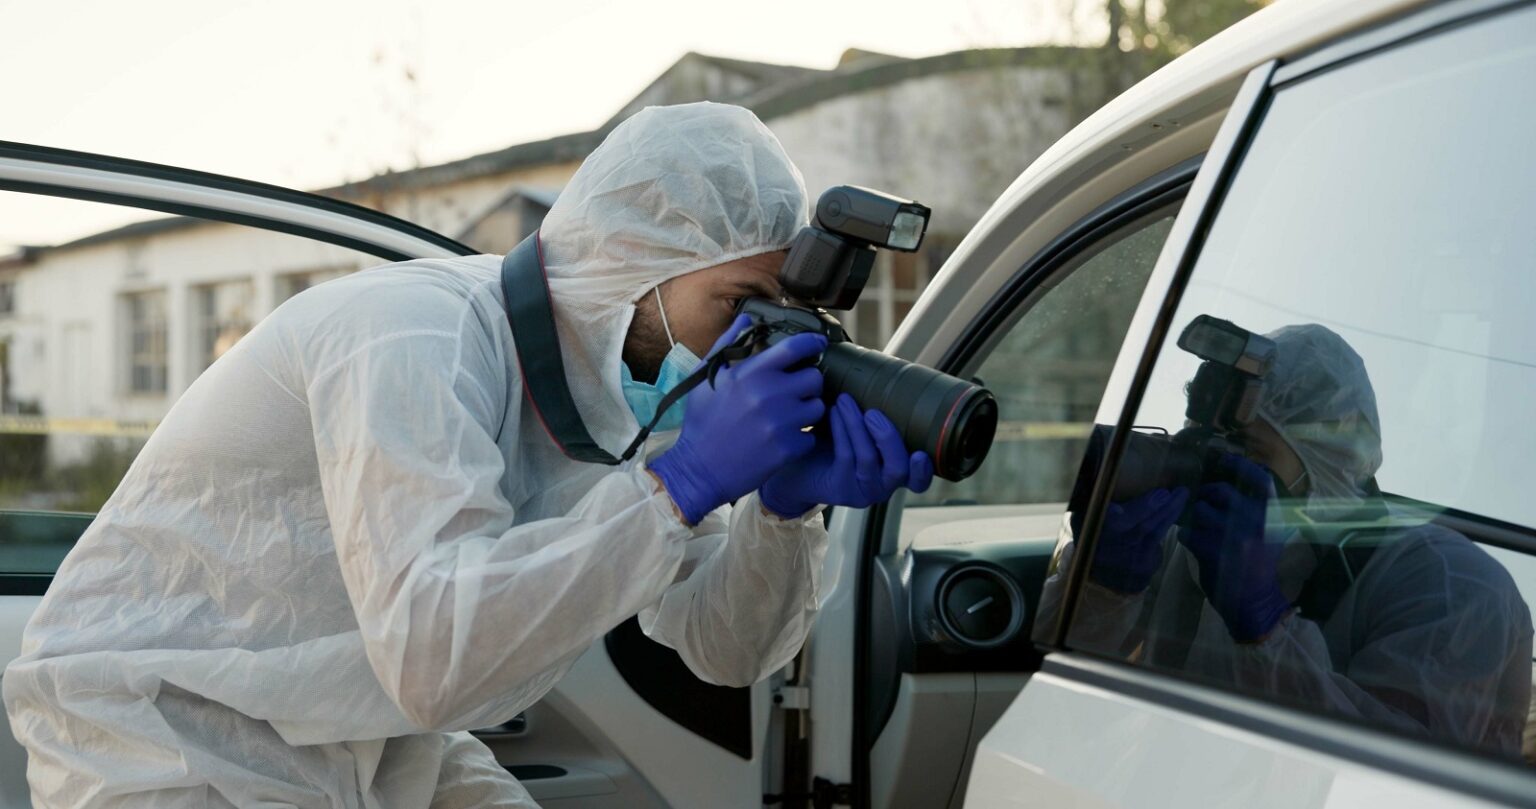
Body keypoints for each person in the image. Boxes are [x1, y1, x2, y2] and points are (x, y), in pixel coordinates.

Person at [3, 102, 932, 808]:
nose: (748, 347)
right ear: (631, 259)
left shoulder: (627, 394)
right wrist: (678, 487)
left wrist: (780, 513)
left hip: (361, 733)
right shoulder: (414, 335)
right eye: (738, 306)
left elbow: (724, 650)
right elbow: (435, 656)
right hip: (167, 732)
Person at [1039, 323, 1533, 757]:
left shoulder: (1448, 582)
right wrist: (1099, 588)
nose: (1214, 466)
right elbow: (1053, 705)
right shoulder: (1189, 542)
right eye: (1203, 440)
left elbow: (1401, 777)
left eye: (1245, 448)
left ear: (1330, 455)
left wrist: (1266, 625)